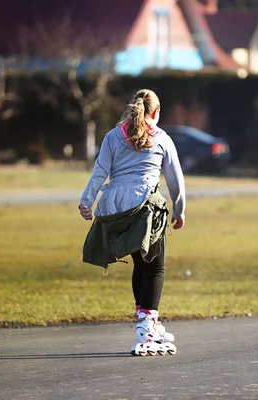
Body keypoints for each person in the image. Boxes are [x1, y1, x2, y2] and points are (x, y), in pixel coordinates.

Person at [78, 89, 186, 356]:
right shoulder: (161, 138)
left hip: (115, 207)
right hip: (145, 205)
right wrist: (179, 212)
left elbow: (100, 170)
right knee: (155, 266)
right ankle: (146, 326)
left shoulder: (113, 136)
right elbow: (176, 181)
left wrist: (86, 200)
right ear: (156, 113)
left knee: (141, 261)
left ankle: (147, 320)